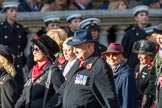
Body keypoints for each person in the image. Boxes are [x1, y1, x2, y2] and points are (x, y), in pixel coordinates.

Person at [45, 29, 120, 108]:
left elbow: (110, 98)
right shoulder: (77, 63)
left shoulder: (99, 65)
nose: (74, 51)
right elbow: (63, 89)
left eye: (77, 47)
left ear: (89, 46)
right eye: (73, 48)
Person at [15, 35, 65, 108]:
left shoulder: (53, 71)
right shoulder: (32, 71)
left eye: (37, 49)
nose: (34, 52)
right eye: (33, 49)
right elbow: (24, 96)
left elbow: (61, 94)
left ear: (46, 52)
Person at [0, 1, 27, 97]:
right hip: (6, 63)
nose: (14, 13)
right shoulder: (1, 29)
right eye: (11, 10)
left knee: (19, 88)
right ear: (6, 13)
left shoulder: (19, 28)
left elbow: (23, 44)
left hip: (18, 63)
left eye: (16, 10)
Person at [102, 42, 137, 108]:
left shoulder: (127, 76)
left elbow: (128, 102)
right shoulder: (106, 73)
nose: (111, 57)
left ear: (122, 57)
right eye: (108, 55)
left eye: (114, 54)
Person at [132, 40, 158, 108]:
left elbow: (151, 86)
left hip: (147, 103)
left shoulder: (153, 69)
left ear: (150, 56)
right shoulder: (137, 66)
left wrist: (146, 95)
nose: (139, 56)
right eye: (138, 53)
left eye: (142, 54)